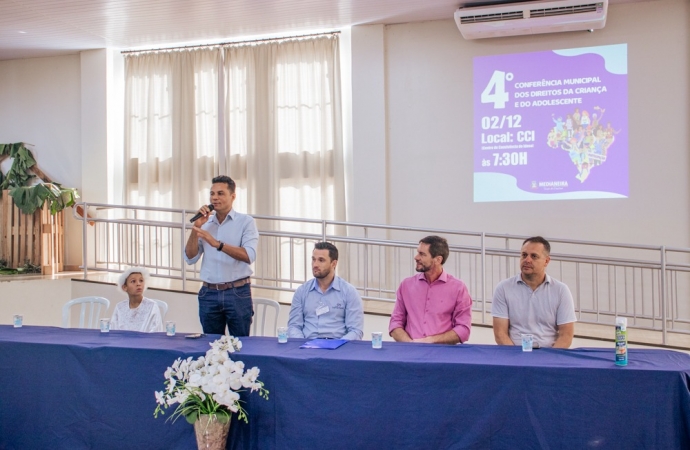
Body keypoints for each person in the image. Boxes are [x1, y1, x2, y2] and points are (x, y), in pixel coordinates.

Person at [184, 175, 259, 336]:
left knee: (240, 346)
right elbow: (190, 258)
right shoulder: (205, 223)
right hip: (208, 293)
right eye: (212, 194)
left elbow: (249, 255)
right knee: (212, 347)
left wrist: (217, 244)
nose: (215, 198)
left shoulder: (246, 222)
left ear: (233, 196)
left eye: (220, 193)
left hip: (237, 292)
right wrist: (196, 228)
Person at [491, 236, 577, 348]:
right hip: (514, 355)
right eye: (524, 255)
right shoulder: (503, 288)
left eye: (534, 256)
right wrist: (516, 359)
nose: (527, 260)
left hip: (548, 355)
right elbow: (500, 334)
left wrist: (548, 360)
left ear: (546, 261)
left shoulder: (561, 291)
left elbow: (566, 336)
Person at [389, 235, 472, 344]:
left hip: (442, 354)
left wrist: (429, 341)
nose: (416, 257)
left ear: (438, 260)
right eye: (418, 252)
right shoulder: (406, 285)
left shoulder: (458, 288)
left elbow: (463, 330)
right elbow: (395, 323)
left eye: (422, 254)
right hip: (408, 352)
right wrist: (410, 344)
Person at [288, 242, 364, 340]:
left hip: (337, 348)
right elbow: (294, 326)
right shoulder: (302, 291)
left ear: (334, 263)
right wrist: (303, 344)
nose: (315, 264)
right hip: (307, 347)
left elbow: (355, 331)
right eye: (313, 259)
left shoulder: (349, 292)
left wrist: (337, 345)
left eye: (321, 260)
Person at [110, 266, 164, 332]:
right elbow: (113, 331)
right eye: (133, 281)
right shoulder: (119, 307)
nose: (138, 284)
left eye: (141, 281)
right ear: (124, 287)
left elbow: (156, 332)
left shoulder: (152, 306)